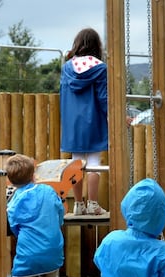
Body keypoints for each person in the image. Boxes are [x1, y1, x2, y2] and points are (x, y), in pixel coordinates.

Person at [4, 154, 65, 277]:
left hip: (28, 255)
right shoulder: (48, 191)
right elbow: (59, 212)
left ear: (10, 180)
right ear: (33, 175)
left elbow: (12, 226)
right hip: (52, 251)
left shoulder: (14, 201)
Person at [60, 27, 108, 216]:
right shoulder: (100, 68)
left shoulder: (67, 68)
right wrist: (115, 116)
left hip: (72, 123)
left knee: (76, 163)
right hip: (93, 120)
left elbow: (63, 95)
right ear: (96, 45)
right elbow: (104, 97)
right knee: (94, 163)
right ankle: (93, 204)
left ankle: (78, 204)